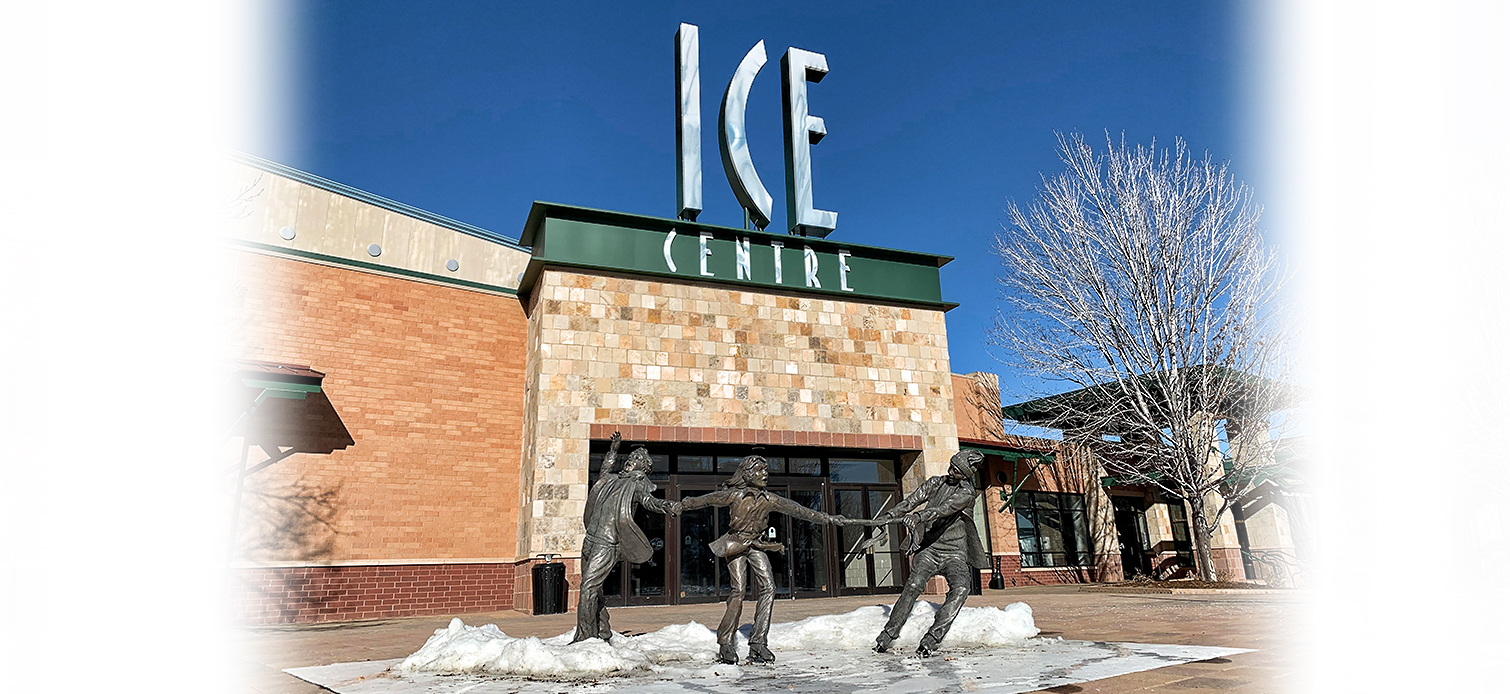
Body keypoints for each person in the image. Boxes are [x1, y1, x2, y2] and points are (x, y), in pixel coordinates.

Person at [680, 455, 850, 664]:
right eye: (759, 471)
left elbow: (799, 510)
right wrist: (682, 505)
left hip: (756, 545)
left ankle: (758, 643)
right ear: (748, 474)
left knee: (769, 587)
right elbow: (705, 500)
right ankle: (725, 642)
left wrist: (829, 518)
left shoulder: (770, 500)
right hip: (735, 544)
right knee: (739, 590)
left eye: (766, 471)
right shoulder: (735, 496)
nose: (764, 475)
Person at [865, 449, 986, 657]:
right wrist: (889, 515)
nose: (950, 470)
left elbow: (943, 509)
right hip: (929, 549)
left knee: (961, 588)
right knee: (913, 585)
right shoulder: (936, 483)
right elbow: (912, 500)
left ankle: (932, 638)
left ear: (966, 474)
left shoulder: (966, 493)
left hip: (955, 553)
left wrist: (919, 517)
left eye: (956, 470)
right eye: (951, 465)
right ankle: (888, 634)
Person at [571, 432, 680, 643]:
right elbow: (603, 471)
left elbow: (650, 502)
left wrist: (667, 505)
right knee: (594, 589)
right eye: (630, 458)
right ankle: (602, 632)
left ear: (644, 467)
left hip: (606, 544)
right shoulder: (611, 480)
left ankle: (584, 639)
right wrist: (613, 450)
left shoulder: (637, 485)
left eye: (637, 460)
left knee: (587, 589)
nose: (631, 461)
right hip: (590, 540)